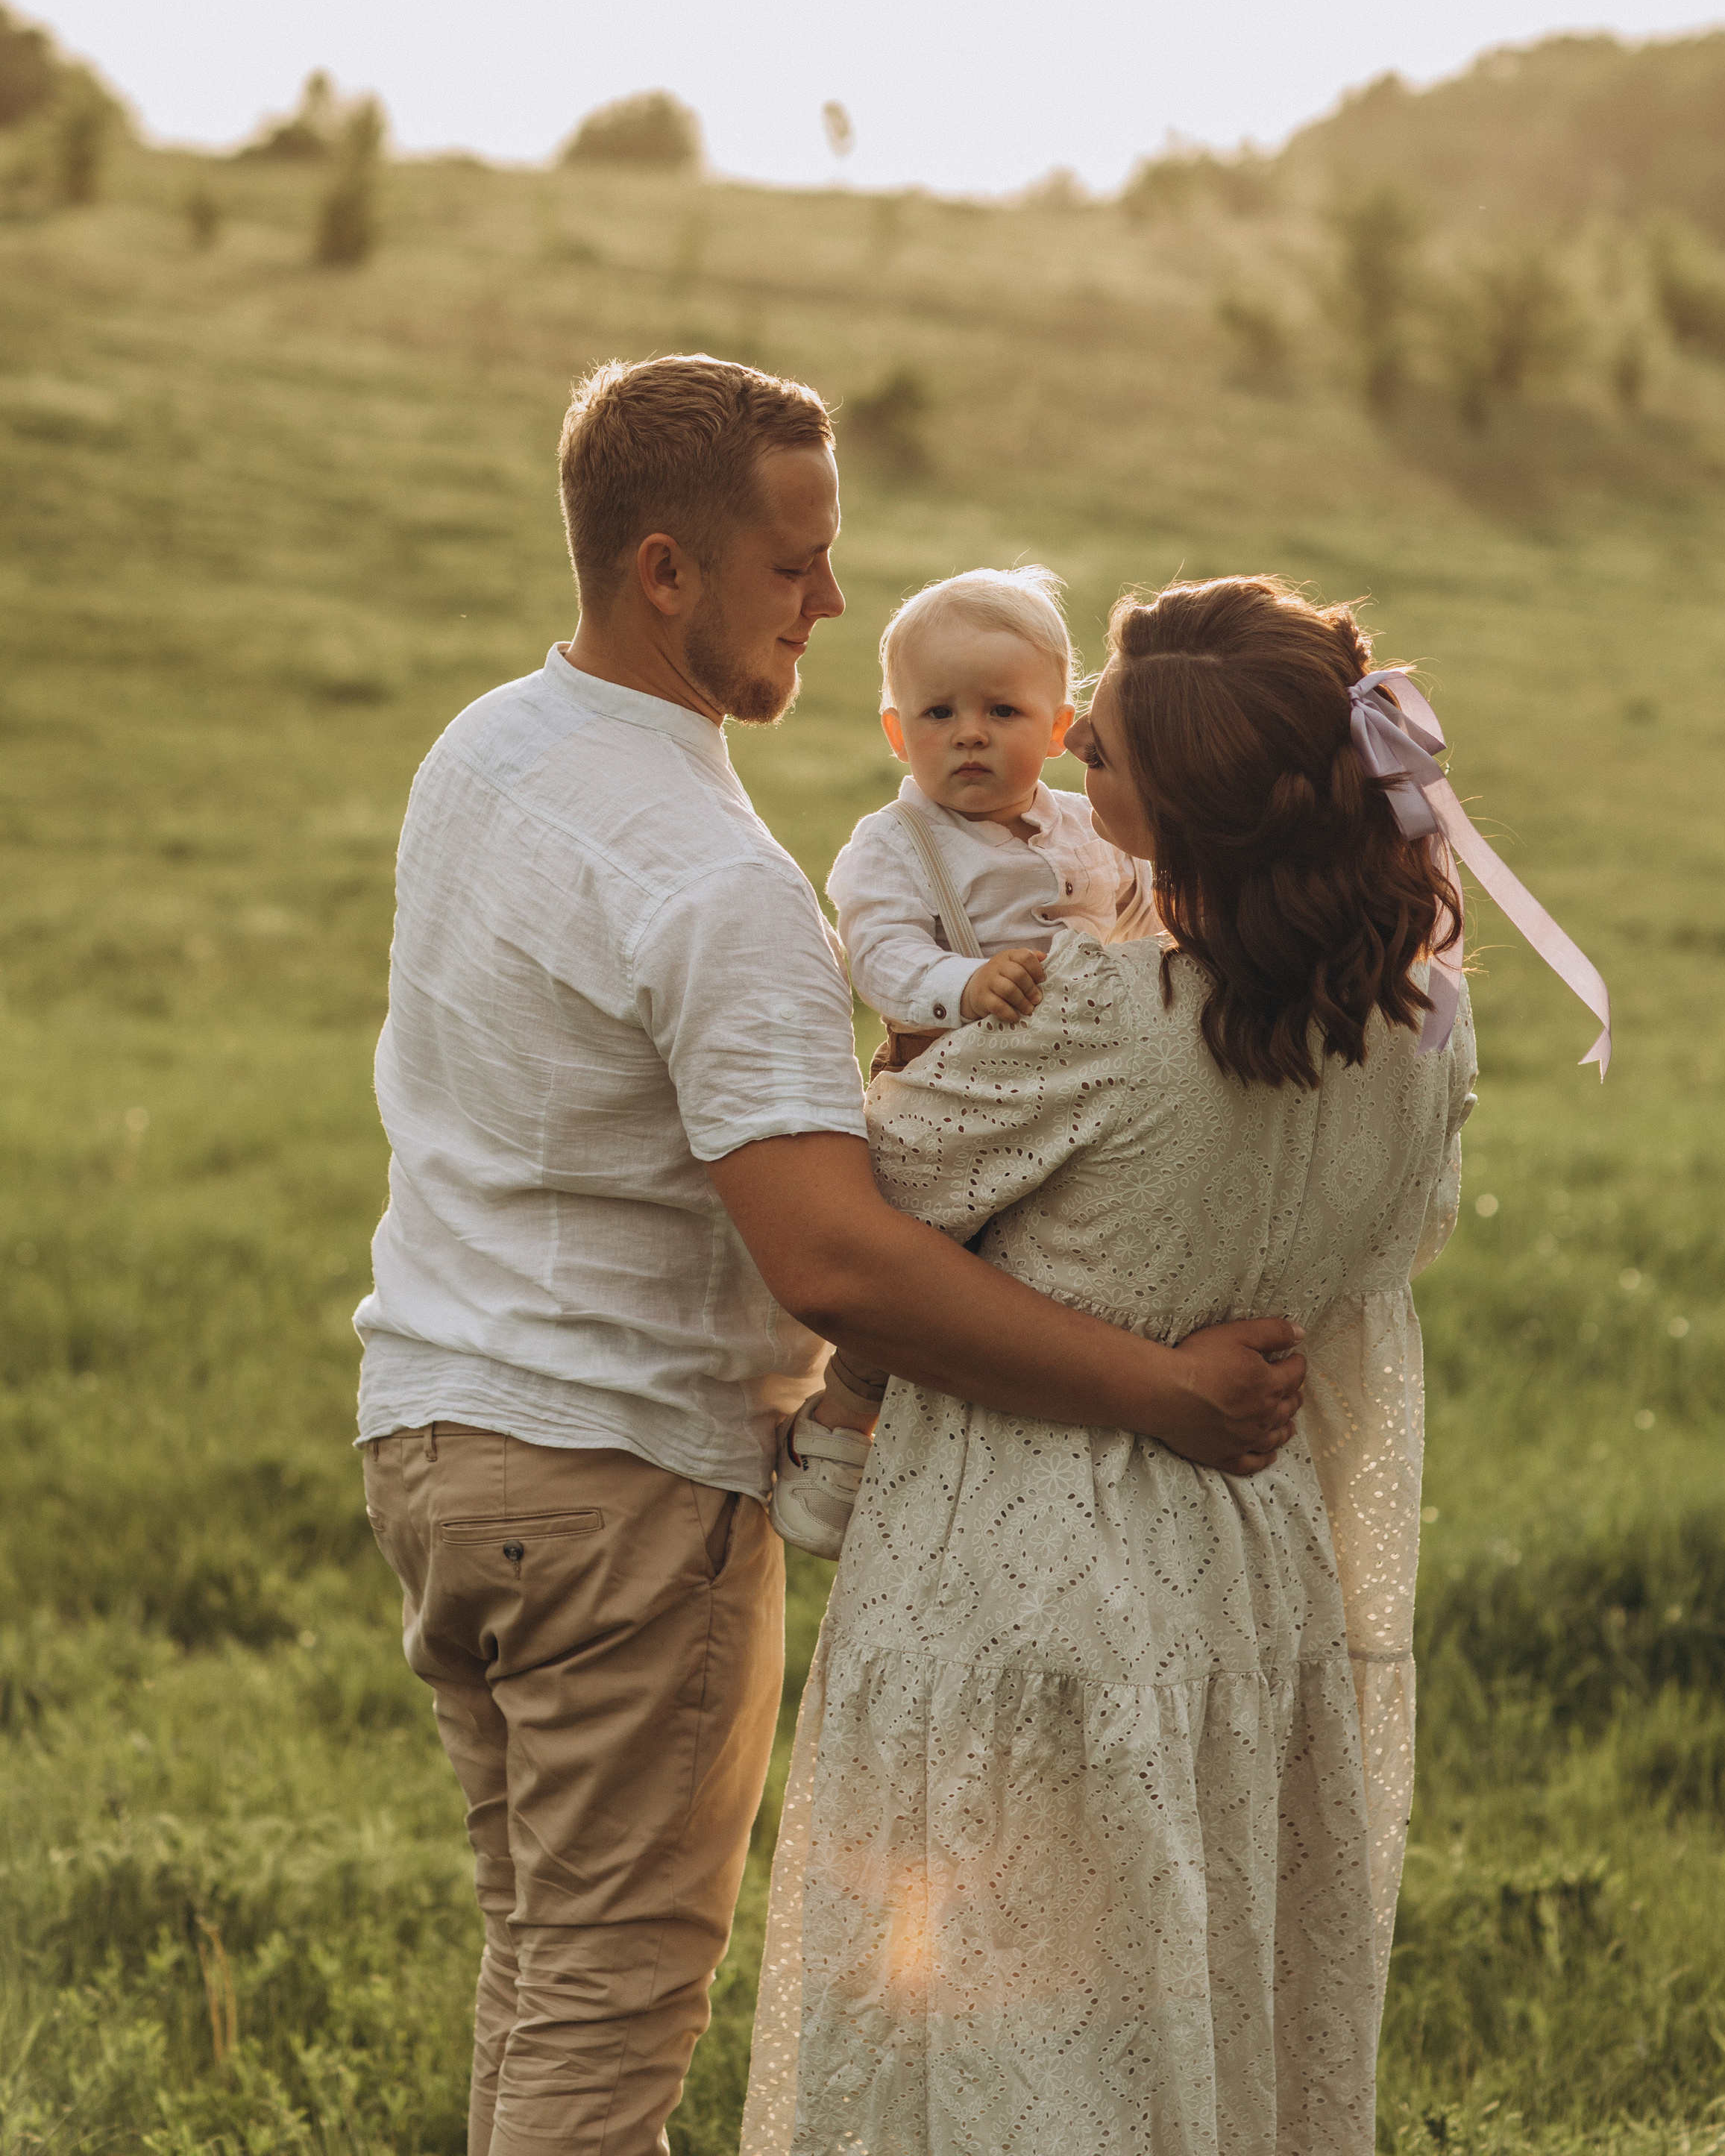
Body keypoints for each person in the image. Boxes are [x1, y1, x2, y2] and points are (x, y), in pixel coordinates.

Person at [353, 356, 1308, 2156]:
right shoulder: (713, 880)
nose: (832, 601)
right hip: (616, 1486)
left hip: (434, 1437)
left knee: (541, 1973)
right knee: (603, 2024)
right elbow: (838, 1267)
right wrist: (1160, 1390)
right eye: (793, 566)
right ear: (664, 571)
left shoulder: (488, 745)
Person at [741, 574, 1484, 2156]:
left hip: (1017, 1572)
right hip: (1251, 1569)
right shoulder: (1420, 1028)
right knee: (1182, 2012)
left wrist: (905, 1053)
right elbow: (1390, 1251)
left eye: (1109, 746)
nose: (1069, 744)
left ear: (1192, 811)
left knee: (1005, 2052)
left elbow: (862, 1210)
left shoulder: (1103, 1014)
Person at [774, 563, 1166, 1556]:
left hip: (1068, 1092)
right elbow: (879, 953)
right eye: (939, 713)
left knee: (1047, 1266)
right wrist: (964, 983)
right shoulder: (896, 844)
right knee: (915, 1257)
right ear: (896, 731)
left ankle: (1054, 1427)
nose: (970, 735)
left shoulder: (1087, 828)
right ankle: (842, 1416)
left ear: (1060, 727)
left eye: (1002, 711)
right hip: (948, 1086)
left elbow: (1140, 911)